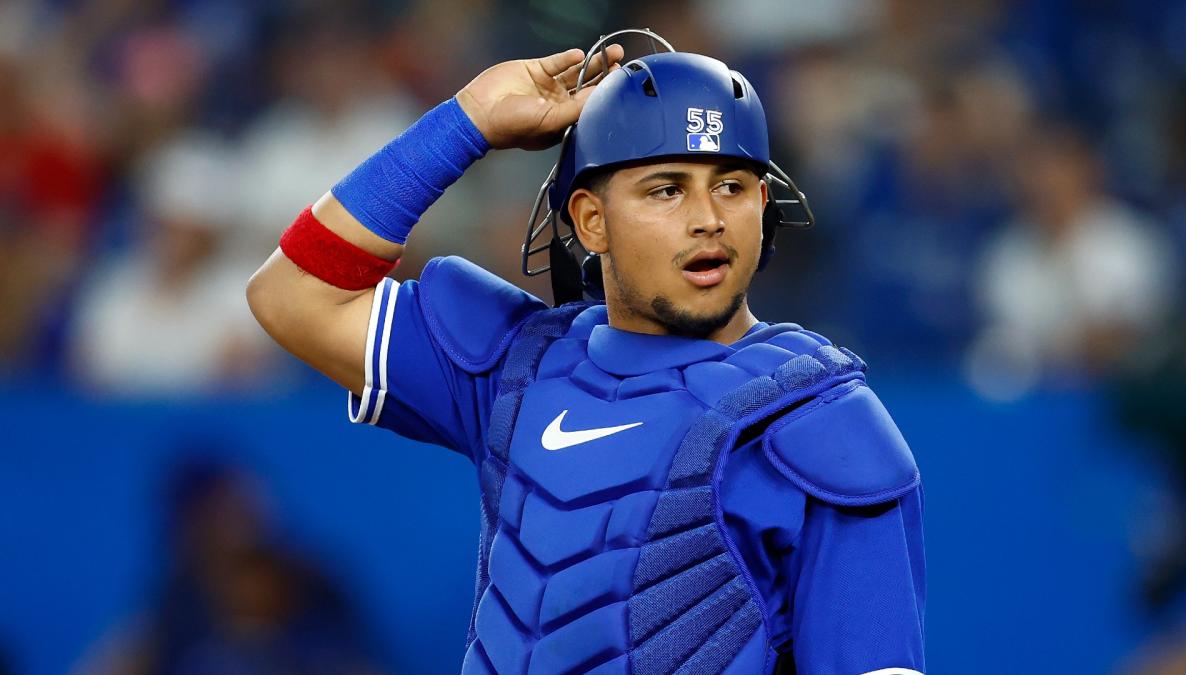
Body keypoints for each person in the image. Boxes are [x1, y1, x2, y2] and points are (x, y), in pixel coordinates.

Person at [248, 30, 925, 675]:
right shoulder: (518, 369)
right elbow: (294, 295)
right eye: (666, 188)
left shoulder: (816, 421)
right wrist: (469, 121)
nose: (708, 217)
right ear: (590, 220)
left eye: (732, 185)